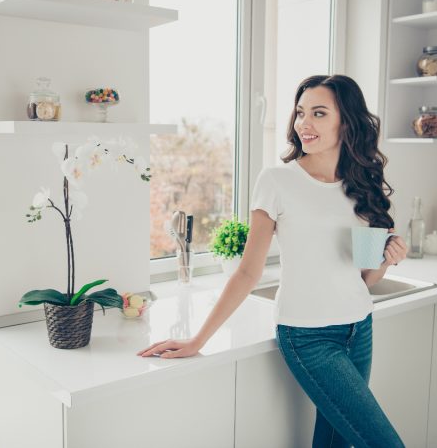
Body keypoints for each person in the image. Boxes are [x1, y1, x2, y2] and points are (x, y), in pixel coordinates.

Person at [138, 75, 408, 447]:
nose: (304, 124)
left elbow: (365, 279)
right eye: (300, 113)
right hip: (308, 336)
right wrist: (198, 339)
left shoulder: (362, 186)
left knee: (334, 441)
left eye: (318, 113)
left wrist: (387, 259)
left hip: (359, 328)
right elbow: (249, 271)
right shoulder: (278, 181)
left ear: (346, 122)